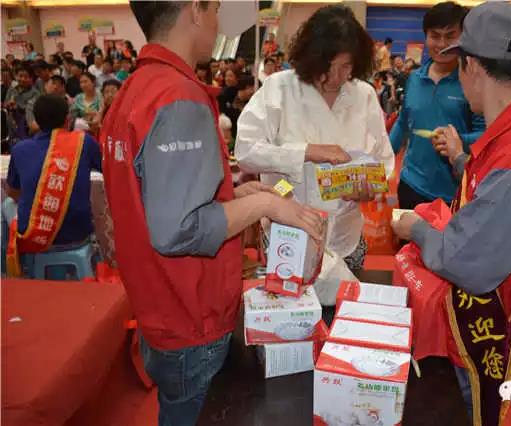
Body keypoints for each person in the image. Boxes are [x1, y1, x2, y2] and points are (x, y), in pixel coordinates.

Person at [102, 3, 324, 424]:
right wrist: (264, 204)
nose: (218, 21)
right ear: (195, 10)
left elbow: (157, 198)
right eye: (216, 8)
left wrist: (233, 195)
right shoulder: (177, 97)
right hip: (190, 314)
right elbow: (178, 230)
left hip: (158, 306)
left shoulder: (134, 90)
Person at [396, 1, 511, 424]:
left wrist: (414, 227)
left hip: (484, 332)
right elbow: (494, 194)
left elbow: (463, 261)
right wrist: (461, 161)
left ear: (471, 65)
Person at [236, 5, 394, 300]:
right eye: (327, 67)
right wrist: (307, 152)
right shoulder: (279, 88)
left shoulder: (363, 95)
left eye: (345, 67)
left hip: (346, 238)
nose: (335, 77)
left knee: (342, 316)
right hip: (289, 238)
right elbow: (246, 151)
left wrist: (368, 188)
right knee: (291, 318)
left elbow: (383, 161)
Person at [390, 2, 485, 208]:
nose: (442, 44)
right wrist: (383, 159)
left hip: (453, 192)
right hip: (410, 184)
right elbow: (403, 122)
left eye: (450, 36)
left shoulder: (473, 82)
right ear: (426, 37)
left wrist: (458, 140)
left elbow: (486, 135)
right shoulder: (414, 78)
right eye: (435, 36)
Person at [3, 94, 101, 278]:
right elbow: (106, 168)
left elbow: (13, 192)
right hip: (77, 233)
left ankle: (11, 273)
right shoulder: (84, 143)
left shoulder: (20, 149)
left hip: (35, 236)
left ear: (36, 122)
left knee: (6, 205)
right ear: (67, 119)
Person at [4, 66, 40, 140]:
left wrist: (18, 107)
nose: (23, 79)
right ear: (16, 76)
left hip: (26, 126)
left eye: (26, 77)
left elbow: (32, 111)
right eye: (20, 76)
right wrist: (8, 105)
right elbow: (5, 103)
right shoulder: (12, 89)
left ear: (31, 78)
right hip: (11, 122)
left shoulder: (35, 93)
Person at [219, 74, 254, 138]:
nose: (253, 92)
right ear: (246, 87)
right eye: (251, 88)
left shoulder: (252, 103)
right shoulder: (226, 94)